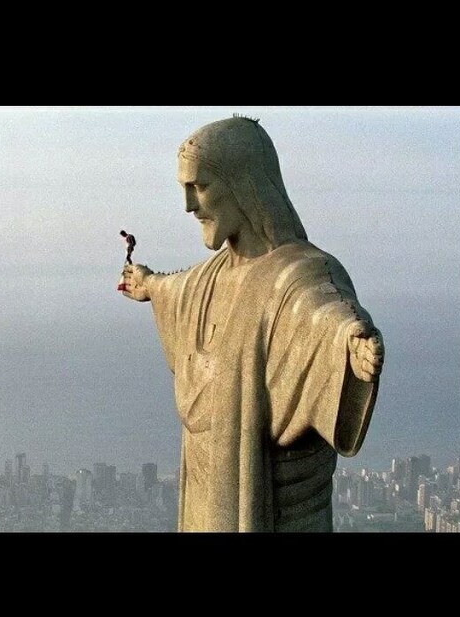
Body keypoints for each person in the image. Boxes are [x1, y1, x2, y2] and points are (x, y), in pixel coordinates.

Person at [119, 116, 384, 532]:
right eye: (184, 188)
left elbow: (321, 312)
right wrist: (149, 284)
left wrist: (350, 343)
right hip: (207, 499)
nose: (189, 206)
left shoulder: (299, 273)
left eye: (199, 186)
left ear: (244, 184)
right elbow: (178, 289)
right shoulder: (210, 277)